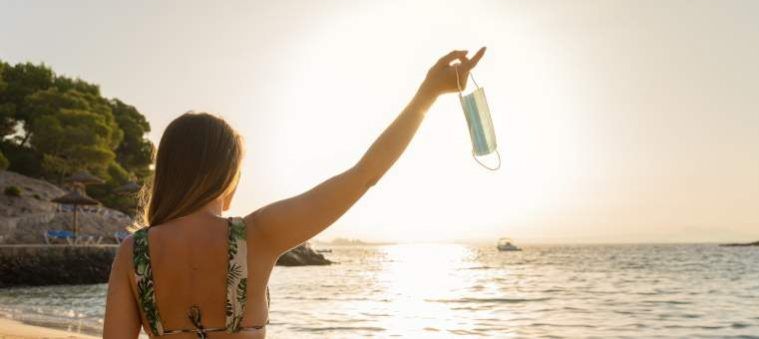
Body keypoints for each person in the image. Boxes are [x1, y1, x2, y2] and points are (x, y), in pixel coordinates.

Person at [103, 47, 486, 338]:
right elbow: (365, 173)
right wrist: (426, 95)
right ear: (225, 175)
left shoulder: (132, 254)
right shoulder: (255, 235)